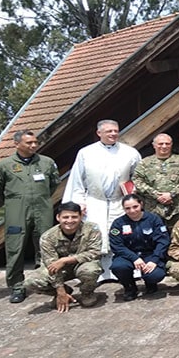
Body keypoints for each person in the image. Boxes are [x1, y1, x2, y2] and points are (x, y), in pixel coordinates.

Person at [62, 119, 141, 280]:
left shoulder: (130, 152)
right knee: (96, 236)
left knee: (121, 234)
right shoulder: (85, 153)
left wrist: (133, 194)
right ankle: (96, 273)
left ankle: (123, 270)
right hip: (95, 201)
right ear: (99, 133)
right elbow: (77, 180)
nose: (113, 134)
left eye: (115, 131)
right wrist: (78, 203)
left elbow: (139, 176)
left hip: (120, 201)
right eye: (109, 131)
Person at [0, 129, 60, 303]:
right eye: (29, 143)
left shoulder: (47, 162)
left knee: (46, 246)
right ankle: (17, 286)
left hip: (42, 209)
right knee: (15, 248)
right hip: (17, 210)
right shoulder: (4, 165)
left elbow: (54, 184)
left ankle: (47, 281)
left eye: (35, 142)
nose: (33, 145)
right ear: (17, 144)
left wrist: (41, 198)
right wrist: (16, 200)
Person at [23, 202, 103, 312]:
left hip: (82, 264)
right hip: (59, 270)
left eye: (74, 217)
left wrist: (66, 260)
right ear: (58, 217)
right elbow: (52, 266)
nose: (70, 221)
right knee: (31, 282)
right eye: (65, 217)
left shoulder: (91, 229)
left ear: (81, 217)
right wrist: (61, 291)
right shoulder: (48, 237)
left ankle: (87, 293)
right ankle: (64, 293)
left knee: (91, 270)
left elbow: (94, 252)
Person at [109, 194, 169, 301]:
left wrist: (154, 260)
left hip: (149, 254)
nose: (132, 211)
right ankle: (130, 288)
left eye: (135, 206)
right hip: (128, 255)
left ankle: (150, 283)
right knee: (118, 267)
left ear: (141, 204)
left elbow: (163, 241)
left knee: (155, 275)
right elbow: (116, 245)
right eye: (127, 208)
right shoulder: (118, 223)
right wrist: (134, 258)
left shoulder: (154, 219)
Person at [132, 133, 179, 229]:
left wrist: (171, 194)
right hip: (153, 208)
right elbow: (137, 180)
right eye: (160, 144)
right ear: (154, 145)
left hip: (177, 207)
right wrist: (155, 195)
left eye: (167, 143)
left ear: (171, 144)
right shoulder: (145, 163)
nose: (164, 146)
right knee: (154, 234)